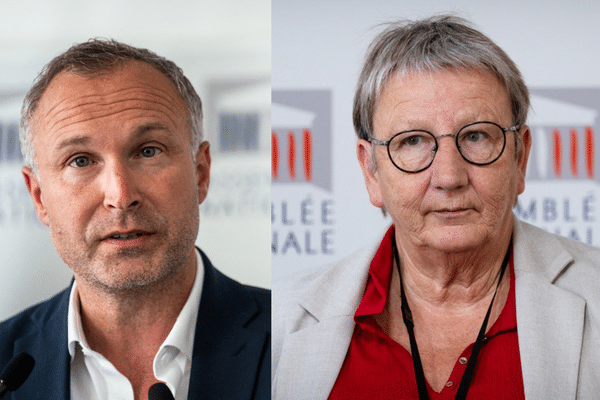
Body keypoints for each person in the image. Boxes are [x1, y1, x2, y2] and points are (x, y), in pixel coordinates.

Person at [272, 15, 600, 399]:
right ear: (371, 170)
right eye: (412, 142)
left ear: (520, 158)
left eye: (476, 136)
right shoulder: (279, 320)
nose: (449, 176)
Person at [0, 39, 270, 400]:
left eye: (147, 151)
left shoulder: (294, 345)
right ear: (38, 197)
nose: (121, 196)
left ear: (201, 173)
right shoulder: (6, 368)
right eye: (80, 160)